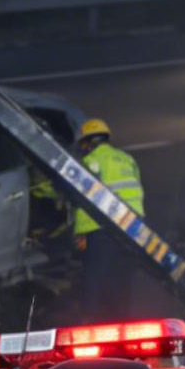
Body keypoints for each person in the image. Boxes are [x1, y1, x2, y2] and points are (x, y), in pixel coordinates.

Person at [70, 117, 144, 320]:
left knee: (94, 276)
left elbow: (79, 193)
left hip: (102, 226)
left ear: (86, 142)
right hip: (133, 226)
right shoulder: (126, 158)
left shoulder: (91, 161)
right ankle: (121, 319)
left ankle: (89, 321)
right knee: (122, 277)